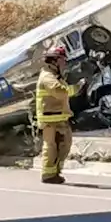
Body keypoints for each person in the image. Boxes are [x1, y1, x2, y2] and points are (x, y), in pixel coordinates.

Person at [34, 45, 80, 185]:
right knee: (51, 146)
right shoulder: (48, 77)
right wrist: (77, 88)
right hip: (50, 118)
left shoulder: (54, 75)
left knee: (64, 144)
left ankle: (55, 172)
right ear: (55, 60)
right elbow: (60, 92)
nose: (64, 63)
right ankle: (48, 175)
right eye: (62, 60)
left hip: (58, 117)